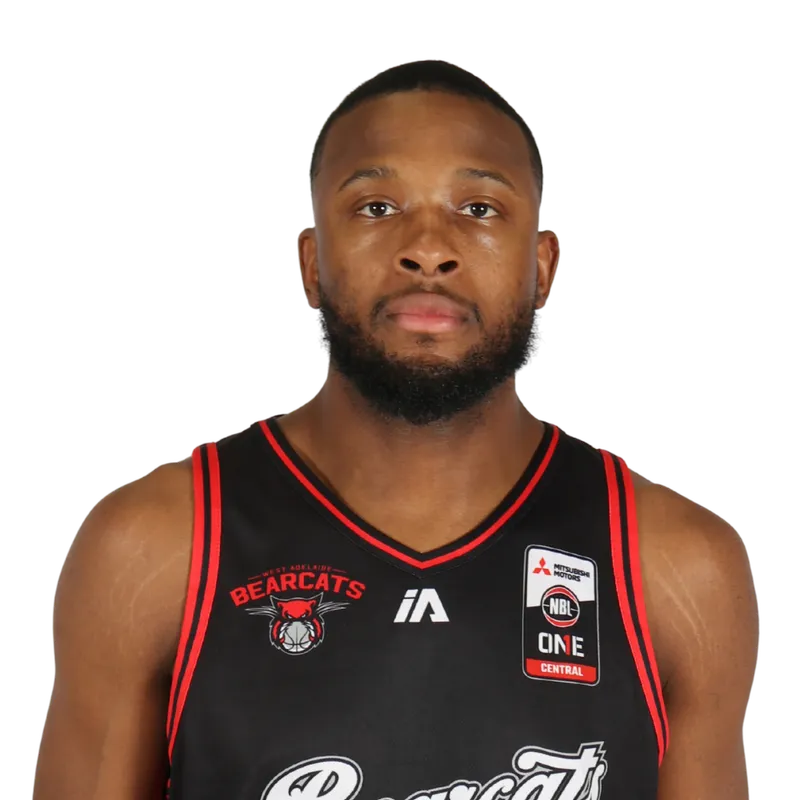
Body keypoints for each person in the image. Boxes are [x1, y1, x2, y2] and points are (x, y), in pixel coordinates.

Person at [34, 58, 759, 799]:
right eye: (377, 206)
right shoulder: (158, 547)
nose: (428, 250)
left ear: (543, 267)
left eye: (479, 208)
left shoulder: (676, 566)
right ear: (311, 264)